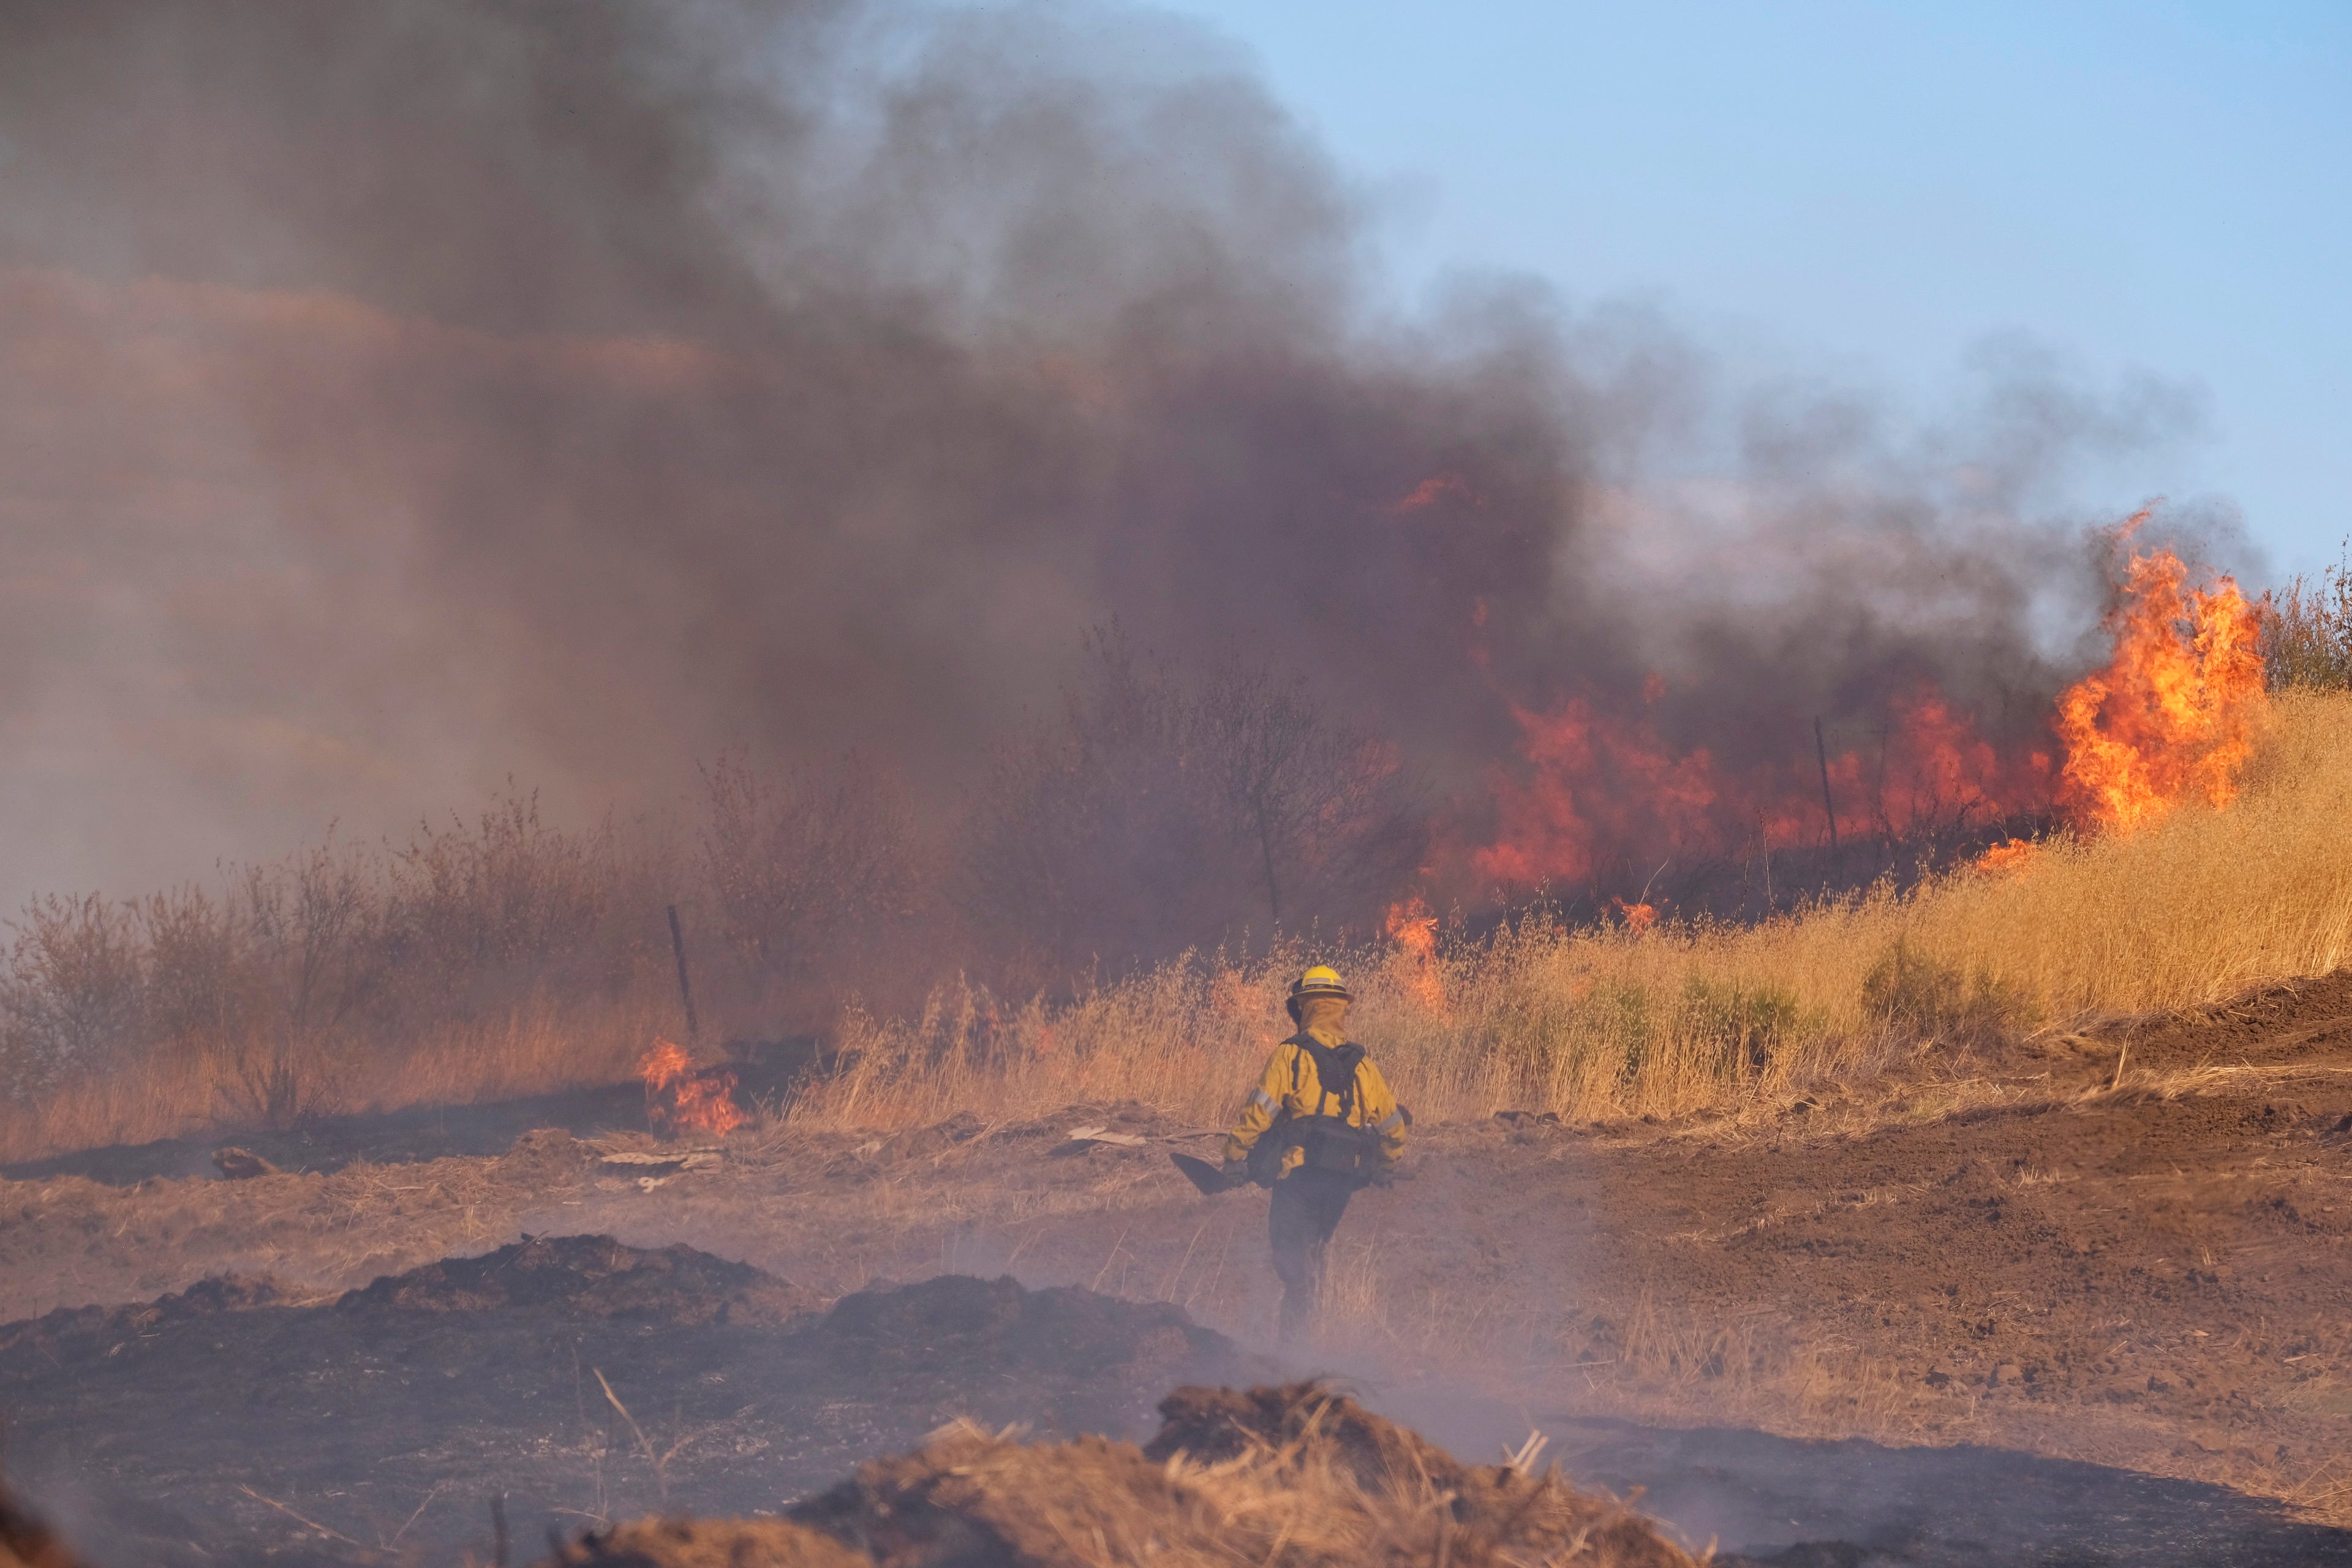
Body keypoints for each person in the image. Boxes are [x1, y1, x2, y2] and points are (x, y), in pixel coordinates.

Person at [1221, 965, 1407, 1345]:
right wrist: (1385, 1167)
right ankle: (1312, 1333)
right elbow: (1394, 1129)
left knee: (1290, 1258)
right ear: (1341, 1009)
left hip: (1298, 1176)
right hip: (1341, 1181)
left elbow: (1260, 1112)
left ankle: (1291, 1349)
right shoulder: (1363, 1066)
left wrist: (1234, 1155)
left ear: (1303, 1007)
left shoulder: (1290, 1056)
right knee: (1316, 1248)